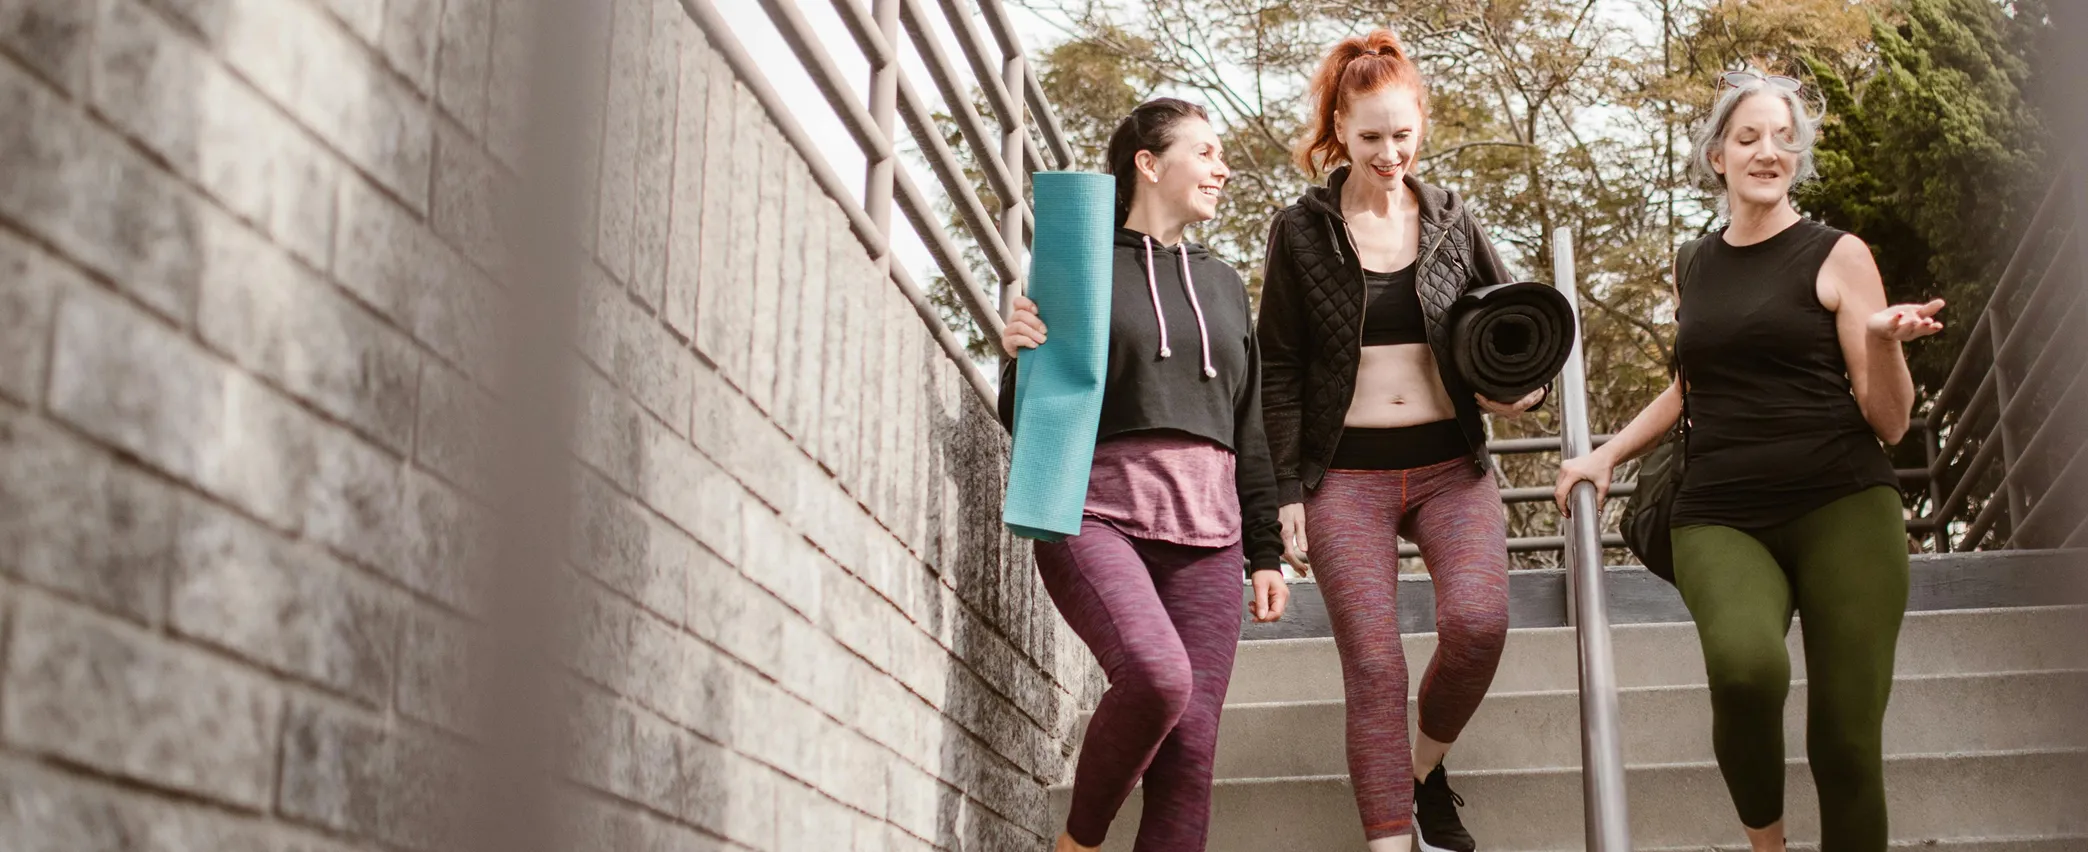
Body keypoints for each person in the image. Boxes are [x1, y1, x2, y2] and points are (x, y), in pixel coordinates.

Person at [1553, 68, 1944, 852]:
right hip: (1720, 507)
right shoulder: (1693, 262)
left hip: (1843, 501)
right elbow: (1691, 384)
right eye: (1749, 137)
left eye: (1784, 139)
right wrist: (1606, 453)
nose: (1769, 151)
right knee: (1744, 671)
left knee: (1845, 741)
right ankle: (1768, 847)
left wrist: (1882, 343)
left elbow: (1891, 422)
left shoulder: (1838, 254)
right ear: (1718, 157)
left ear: (1798, 157)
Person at [1256, 29, 1542, 852]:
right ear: (1339, 130)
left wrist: (1523, 391)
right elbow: (1279, 368)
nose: (1389, 154)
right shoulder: (1299, 231)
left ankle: (1420, 771)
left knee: (1479, 624)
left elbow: (1514, 327)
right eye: (1372, 136)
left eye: (1403, 135)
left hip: (1451, 468)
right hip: (1345, 476)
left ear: (1422, 126)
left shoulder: (1452, 219)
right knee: (1376, 665)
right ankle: (1388, 839)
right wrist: (1285, 493)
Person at [998, 96, 1289, 852]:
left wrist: (1265, 551)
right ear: (1149, 164)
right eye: (1206, 152)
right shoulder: (1081, 267)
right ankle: (1079, 844)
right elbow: (1031, 410)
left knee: (1190, 752)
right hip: (1095, 516)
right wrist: (1018, 354)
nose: (1223, 168)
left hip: (1212, 534)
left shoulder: (1225, 284)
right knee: (1159, 679)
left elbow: (1249, 427)